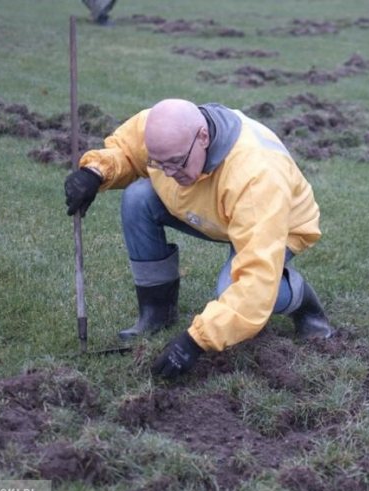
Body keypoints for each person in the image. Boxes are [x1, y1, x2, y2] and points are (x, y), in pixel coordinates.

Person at [64, 99, 333, 378]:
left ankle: (301, 298)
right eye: (160, 164)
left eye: (176, 163)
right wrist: (94, 173)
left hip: (276, 222)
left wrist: (196, 341)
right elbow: (128, 151)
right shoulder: (164, 132)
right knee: (138, 197)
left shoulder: (257, 176)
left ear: (203, 137)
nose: (167, 173)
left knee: (232, 286)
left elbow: (255, 280)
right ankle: (157, 312)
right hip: (212, 209)